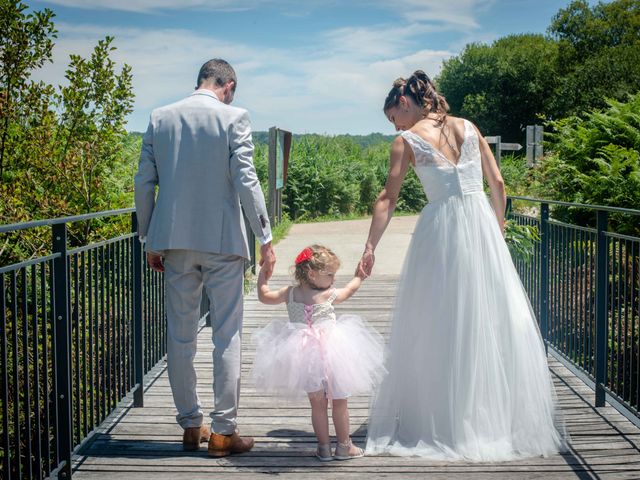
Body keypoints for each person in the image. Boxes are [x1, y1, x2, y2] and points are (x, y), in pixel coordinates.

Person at [360, 71, 566, 460]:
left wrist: (370, 246)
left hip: (440, 231)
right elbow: (498, 184)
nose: (394, 125)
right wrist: (498, 230)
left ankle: (447, 418)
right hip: (481, 226)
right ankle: (494, 416)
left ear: (404, 103)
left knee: (439, 320)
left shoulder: (405, 141)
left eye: (392, 117)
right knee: (490, 316)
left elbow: (387, 198)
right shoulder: (470, 127)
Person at [134, 58, 276, 457]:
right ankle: (222, 432)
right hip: (224, 243)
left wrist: (149, 237)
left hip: (174, 243)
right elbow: (246, 181)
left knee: (180, 336)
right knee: (225, 334)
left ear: (200, 81)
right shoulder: (234, 118)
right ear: (228, 86)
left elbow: (144, 181)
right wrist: (265, 236)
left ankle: (189, 425)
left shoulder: (160, 118)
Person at [252, 245, 386, 461]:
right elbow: (349, 290)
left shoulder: (290, 293)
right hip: (335, 351)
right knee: (340, 401)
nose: (333, 279)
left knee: (317, 403)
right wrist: (359, 277)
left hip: (302, 354)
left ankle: (323, 448)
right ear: (312, 274)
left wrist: (263, 276)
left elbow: (264, 296)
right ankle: (344, 446)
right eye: (330, 274)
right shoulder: (329, 294)